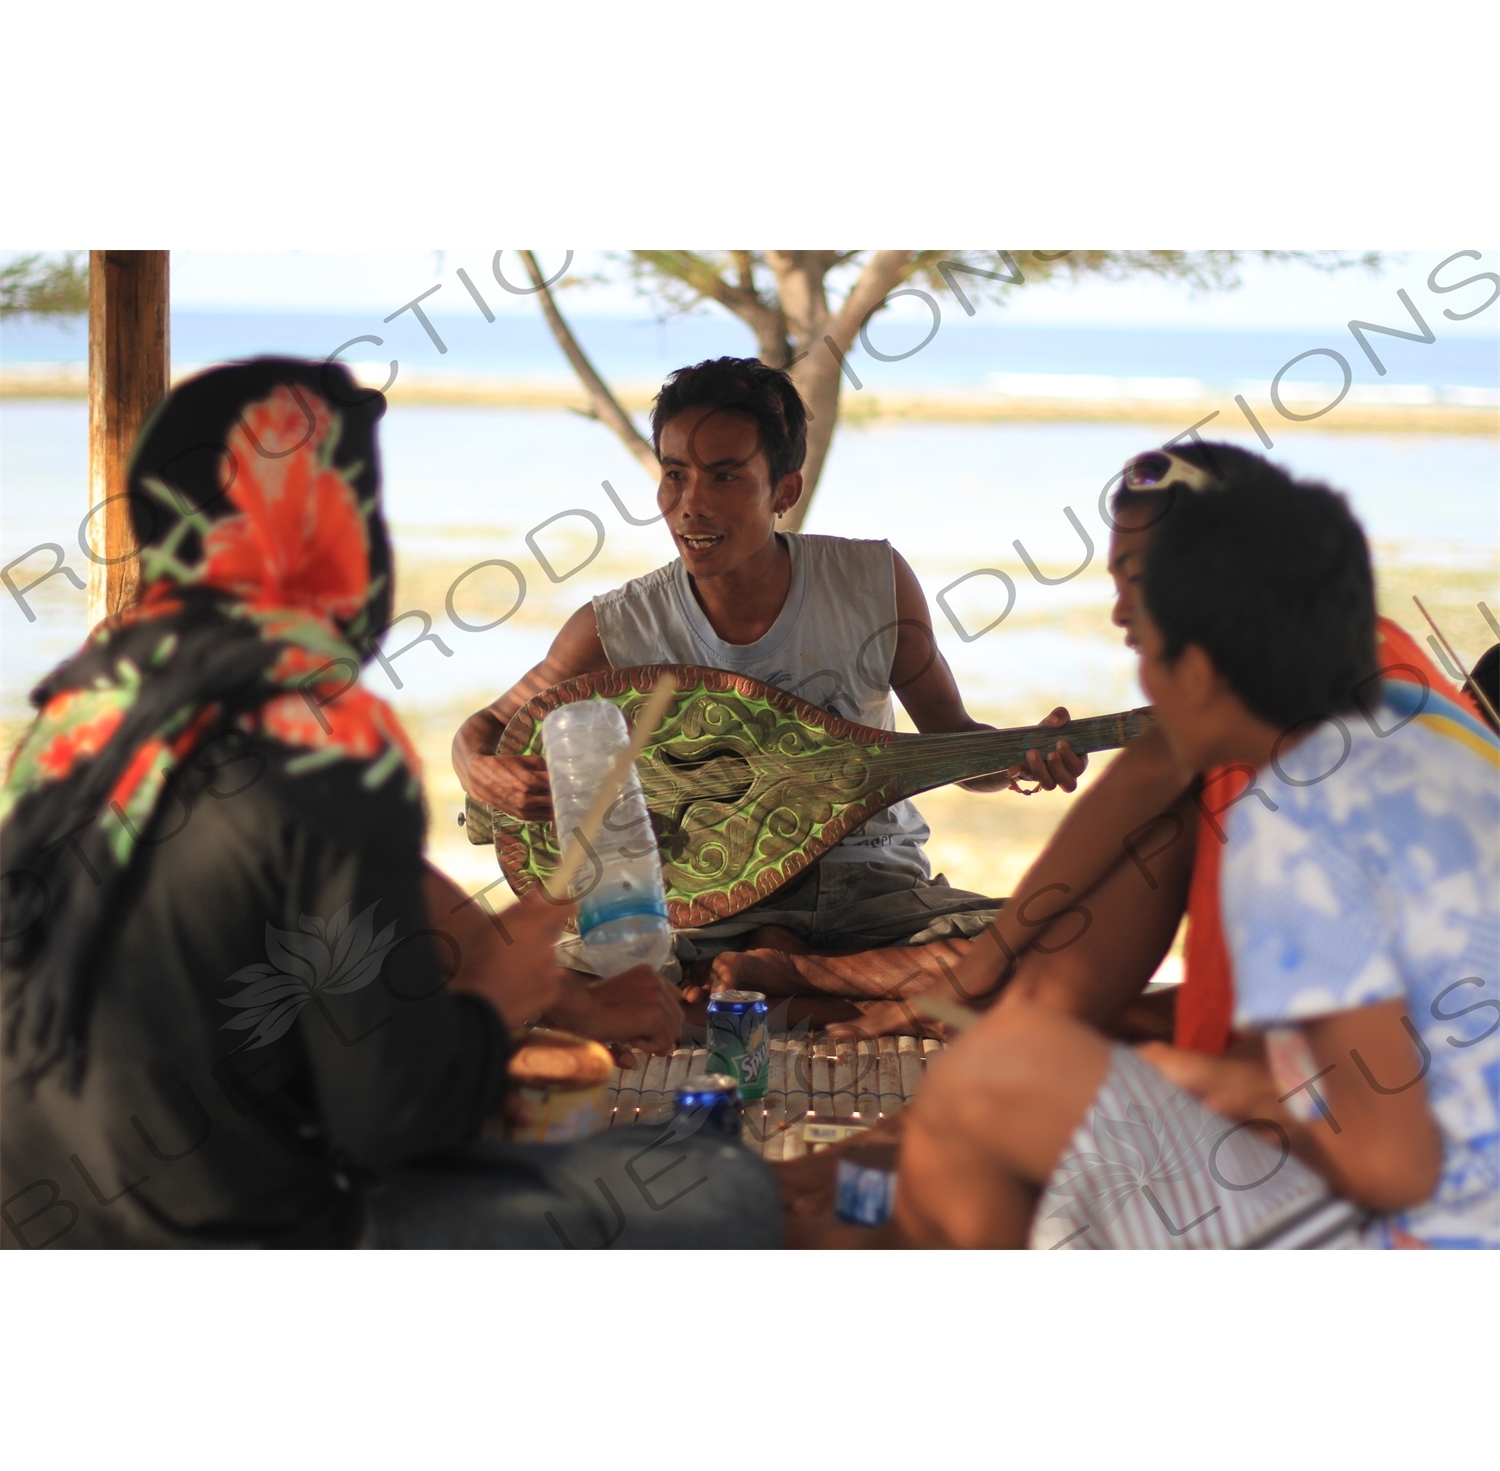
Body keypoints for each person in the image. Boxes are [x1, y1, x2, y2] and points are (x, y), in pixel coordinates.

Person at [0, 359, 779, 1250]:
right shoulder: (328, 756)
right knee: (716, 1184)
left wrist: (561, 996)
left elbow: (358, 893)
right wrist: (496, 998)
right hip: (235, 1237)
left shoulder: (86, 719)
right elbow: (395, 1118)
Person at [894, 450, 1500, 1248]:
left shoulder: (1301, 815)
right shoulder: (1404, 732)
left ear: (1210, 659)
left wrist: (1221, 1090)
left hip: (1416, 1233)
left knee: (985, 1091)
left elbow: (1387, 1162)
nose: (1122, 626)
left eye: (1144, 612)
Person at [451, 356, 1087, 1003]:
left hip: (868, 892)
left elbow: (953, 740)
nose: (690, 505)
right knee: (514, 983)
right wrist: (481, 771)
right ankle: (795, 977)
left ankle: (793, 975)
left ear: (785, 490)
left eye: (725, 477)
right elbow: (487, 728)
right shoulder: (616, 627)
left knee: (1068, 941)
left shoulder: (873, 582)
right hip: (702, 912)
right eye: (675, 475)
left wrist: (1016, 760)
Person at [829, 443, 1491, 1047]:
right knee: (1026, 1026)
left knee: (1012, 1071)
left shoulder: (1351, 718)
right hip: (1336, 1075)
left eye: (1141, 580)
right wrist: (976, 979)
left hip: (1411, 1103)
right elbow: (1145, 775)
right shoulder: (1296, 671)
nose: (1120, 613)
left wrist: (980, 985)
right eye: (1118, 581)